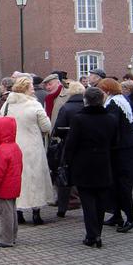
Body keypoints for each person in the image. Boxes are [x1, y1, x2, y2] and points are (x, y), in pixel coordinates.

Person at [64, 87, 118, 248]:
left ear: (86, 100)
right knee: (101, 200)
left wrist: (67, 161)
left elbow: (71, 144)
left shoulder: (79, 119)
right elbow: (115, 142)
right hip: (103, 162)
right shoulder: (111, 118)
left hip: (83, 163)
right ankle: (98, 233)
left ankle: (92, 234)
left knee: (88, 201)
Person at [1, 77, 53, 225]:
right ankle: (36, 213)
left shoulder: (7, 105)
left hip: (13, 147)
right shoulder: (34, 104)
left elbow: (0, 122)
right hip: (33, 147)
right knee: (35, 178)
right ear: (24, 88)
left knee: (17, 179)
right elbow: (46, 127)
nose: (33, 89)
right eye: (31, 86)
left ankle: (18, 212)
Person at [97, 78, 133, 232]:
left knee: (121, 184)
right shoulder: (122, 100)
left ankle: (132, 217)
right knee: (116, 183)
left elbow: (111, 125)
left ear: (107, 90)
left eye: (101, 90)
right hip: (125, 147)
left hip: (119, 150)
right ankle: (117, 215)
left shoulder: (113, 104)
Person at [0, 116, 23, 248]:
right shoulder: (15, 147)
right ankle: (12, 236)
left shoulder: (2, 150)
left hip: (4, 187)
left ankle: (5, 239)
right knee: (11, 211)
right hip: (13, 185)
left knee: (4, 213)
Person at [51, 81, 85, 217]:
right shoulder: (87, 106)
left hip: (69, 146)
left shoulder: (66, 107)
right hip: (86, 147)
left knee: (65, 175)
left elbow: (58, 128)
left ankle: (62, 208)